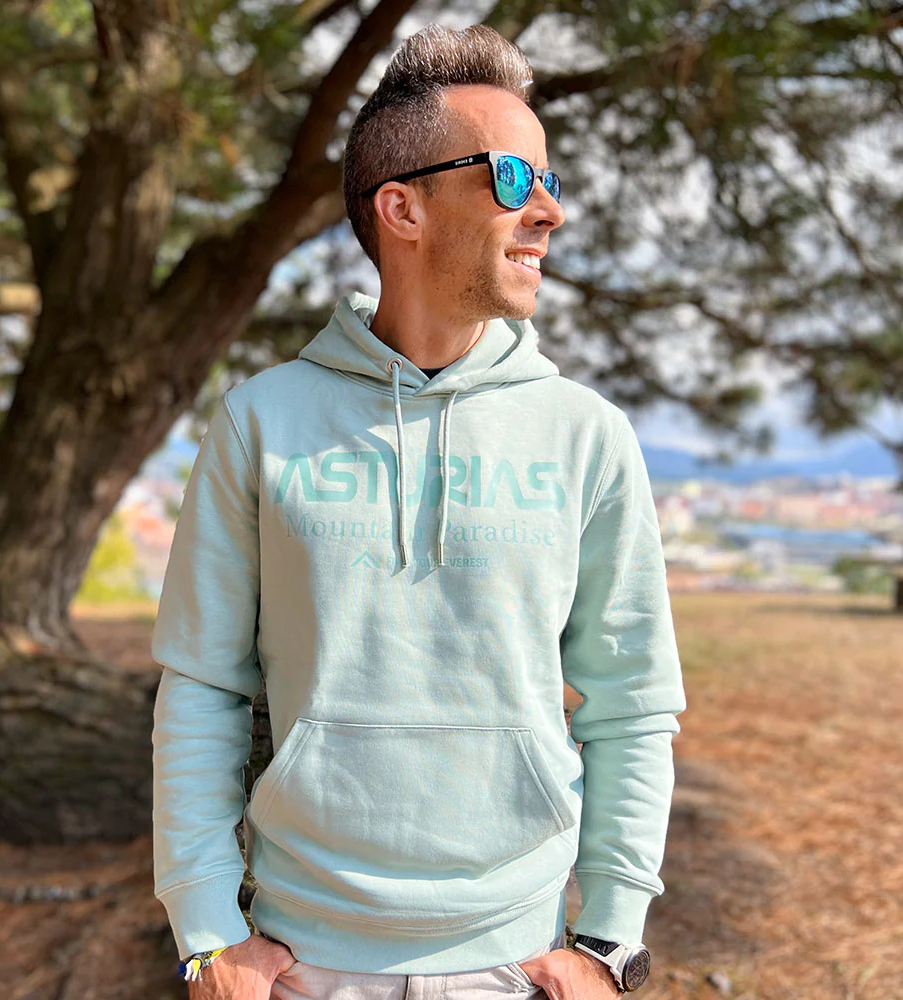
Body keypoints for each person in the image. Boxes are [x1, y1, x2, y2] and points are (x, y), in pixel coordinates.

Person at [150, 21, 686, 1000]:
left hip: (517, 961)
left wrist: (611, 940)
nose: (550, 212)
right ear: (401, 207)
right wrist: (203, 935)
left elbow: (632, 702)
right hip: (302, 963)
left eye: (550, 181)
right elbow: (200, 687)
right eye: (515, 180)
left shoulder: (585, 434)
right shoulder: (261, 421)